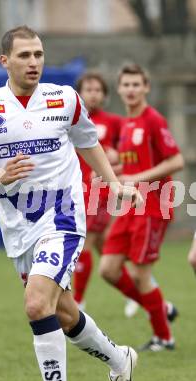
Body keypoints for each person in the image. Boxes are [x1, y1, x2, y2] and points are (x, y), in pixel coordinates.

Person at [0, 26, 143, 381]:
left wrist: (115, 183)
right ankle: (121, 361)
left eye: (39, 54)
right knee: (63, 312)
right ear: (5, 61)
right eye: (24, 55)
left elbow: (88, 142)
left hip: (62, 215)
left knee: (36, 304)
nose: (34, 62)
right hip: (17, 225)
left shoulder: (65, 99)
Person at [99, 64, 184, 352]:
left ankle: (164, 337)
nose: (132, 90)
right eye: (127, 85)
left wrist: (135, 177)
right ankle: (162, 306)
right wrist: (114, 169)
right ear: (120, 89)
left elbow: (176, 161)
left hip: (154, 204)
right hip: (130, 205)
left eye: (137, 84)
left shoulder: (153, 120)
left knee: (140, 274)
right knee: (109, 269)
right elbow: (133, 163)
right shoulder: (125, 125)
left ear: (146, 87)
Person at [72, 71, 122, 310]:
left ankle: (78, 301)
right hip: (75, 191)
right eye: (88, 89)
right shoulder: (69, 121)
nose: (93, 94)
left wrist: (118, 157)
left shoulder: (114, 123)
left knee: (85, 243)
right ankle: (141, 290)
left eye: (97, 90)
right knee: (105, 248)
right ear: (79, 94)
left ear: (104, 95)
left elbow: (133, 155)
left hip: (99, 194)